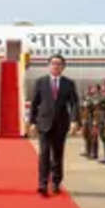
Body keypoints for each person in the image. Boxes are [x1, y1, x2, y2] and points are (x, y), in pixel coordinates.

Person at [30, 54, 80, 197]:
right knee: (44, 154)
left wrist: (74, 121)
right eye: (53, 63)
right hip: (44, 123)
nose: (56, 66)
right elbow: (35, 103)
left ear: (63, 67)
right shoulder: (41, 82)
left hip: (61, 124)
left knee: (57, 155)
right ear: (49, 65)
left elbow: (74, 103)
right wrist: (32, 122)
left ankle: (56, 182)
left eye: (59, 64)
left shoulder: (69, 83)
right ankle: (43, 184)